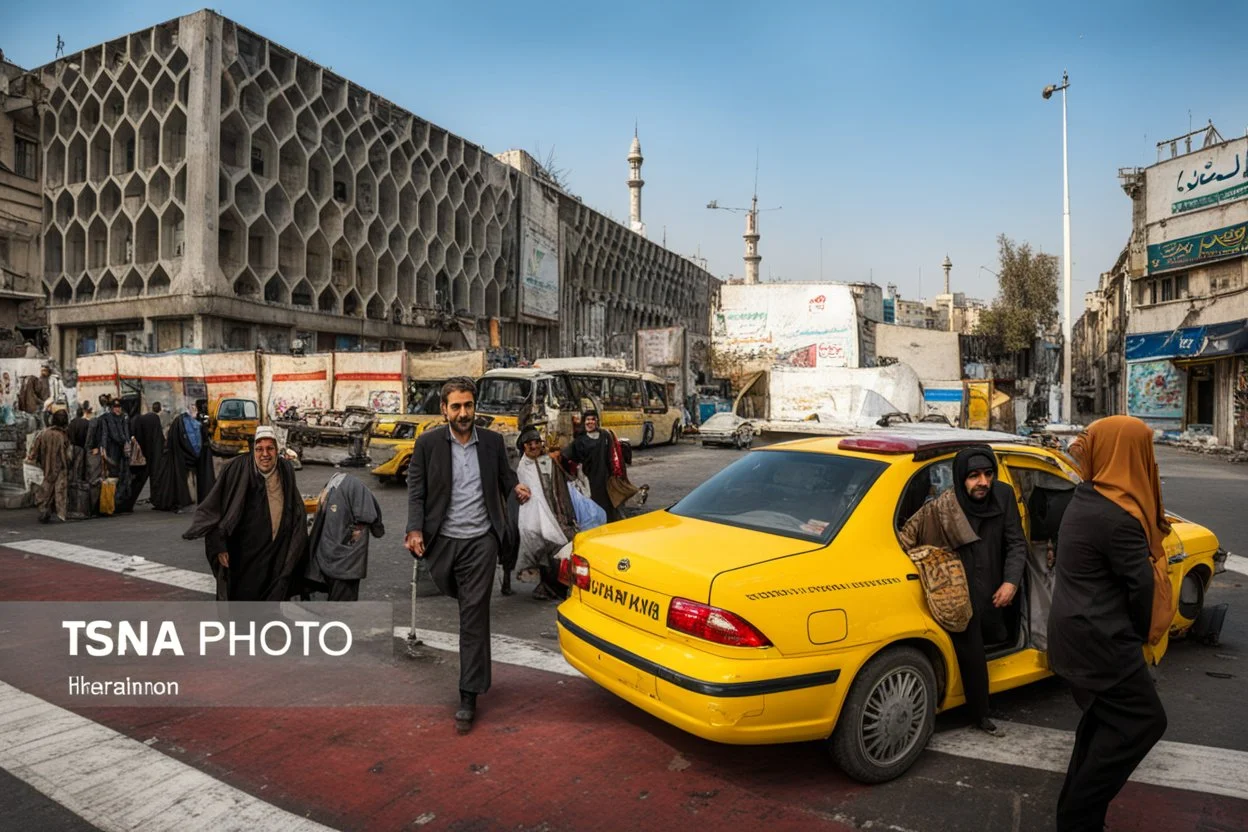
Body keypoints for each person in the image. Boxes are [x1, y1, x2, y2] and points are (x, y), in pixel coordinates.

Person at [1049, 416, 1170, 831]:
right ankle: (1078, 816)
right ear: (1132, 455)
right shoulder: (1118, 517)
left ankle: (1078, 816)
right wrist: (1139, 637)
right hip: (1101, 643)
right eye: (1145, 451)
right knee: (1145, 722)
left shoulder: (1087, 496)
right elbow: (1141, 591)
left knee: (1103, 723)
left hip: (1077, 637)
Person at [404, 377, 531, 733]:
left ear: (476, 407)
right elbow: (417, 491)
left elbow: (504, 477)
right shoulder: (428, 444)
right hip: (442, 542)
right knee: (456, 597)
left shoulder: (491, 442)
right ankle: (472, 680)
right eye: (456, 407)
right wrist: (414, 529)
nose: (463, 413)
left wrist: (515, 487)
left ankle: (468, 693)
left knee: (473, 616)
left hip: (481, 541)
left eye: (468, 406)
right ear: (444, 409)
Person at [900, 445, 1027, 737]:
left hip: (995, 584)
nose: (983, 482)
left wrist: (1011, 581)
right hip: (957, 588)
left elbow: (1016, 542)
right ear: (961, 478)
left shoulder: (1003, 495)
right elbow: (910, 539)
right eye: (973, 476)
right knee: (971, 654)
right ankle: (980, 714)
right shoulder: (944, 506)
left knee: (990, 639)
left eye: (987, 474)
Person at [183, 427, 307, 601]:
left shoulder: (285, 469)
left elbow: (296, 508)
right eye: (259, 449)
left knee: (273, 598)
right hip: (244, 555)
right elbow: (214, 508)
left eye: (270, 448)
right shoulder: (236, 470)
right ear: (253, 450)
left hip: (277, 550)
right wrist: (219, 545)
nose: (265, 454)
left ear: (277, 451)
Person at [510, 425, 577, 601]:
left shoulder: (549, 462)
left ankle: (556, 588)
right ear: (523, 446)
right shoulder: (521, 467)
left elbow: (560, 488)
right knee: (543, 551)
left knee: (559, 549)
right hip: (533, 517)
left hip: (556, 513)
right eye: (529, 444)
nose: (533, 447)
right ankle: (547, 587)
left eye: (536, 443)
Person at [304, 472, 385, 601]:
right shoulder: (337, 489)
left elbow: (369, 518)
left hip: (344, 560)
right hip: (334, 558)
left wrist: (353, 537)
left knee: (341, 605)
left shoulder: (347, 487)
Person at [562, 407, 624, 522]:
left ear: (597, 421)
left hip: (605, 478)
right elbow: (566, 456)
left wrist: (614, 473)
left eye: (593, 419)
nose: (590, 422)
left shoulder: (605, 435)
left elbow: (612, 454)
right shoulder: (580, 440)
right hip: (588, 479)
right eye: (587, 419)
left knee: (608, 507)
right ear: (584, 422)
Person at [152, 403, 214, 512]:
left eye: (195, 407)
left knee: (190, 480)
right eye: (192, 408)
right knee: (185, 480)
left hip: (189, 456)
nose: (194, 410)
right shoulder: (183, 422)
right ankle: (186, 500)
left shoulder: (192, 421)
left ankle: (190, 500)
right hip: (184, 456)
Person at [118, 402, 166, 513]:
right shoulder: (153, 422)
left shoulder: (136, 420)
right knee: (156, 478)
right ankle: (158, 500)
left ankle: (126, 504)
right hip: (152, 454)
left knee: (137, 480)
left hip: (142, 454)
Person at [26, 409, 72, 523]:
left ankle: (44, 510)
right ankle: (61, 514)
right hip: (60, 466)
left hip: (45, 466)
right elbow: (68, 454)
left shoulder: (43, 433)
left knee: (45, 489)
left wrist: (32, 459)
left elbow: (34, 450)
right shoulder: (63, 435)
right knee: (60, 490)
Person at [92, 397, 133, 513]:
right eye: (115, 407)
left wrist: (128, 442)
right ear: (111, 408)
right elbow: (105, 434)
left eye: (119, 407)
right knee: (113, 476)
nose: (117, 409)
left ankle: (120, 502)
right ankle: (112, 502)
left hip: (123, 451)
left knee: (123, 475)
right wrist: (103, 448)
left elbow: (127, 432)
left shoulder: (124, 417)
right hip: (112, 450)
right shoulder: (106, 418)